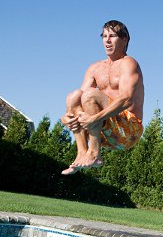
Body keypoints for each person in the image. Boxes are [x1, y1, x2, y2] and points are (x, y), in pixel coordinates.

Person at [60, 20, 144, 175]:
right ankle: (82, 153)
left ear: (124, 40)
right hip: (106, 132)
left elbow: (127, 99)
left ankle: (94, 154)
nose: (107, 40)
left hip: (128, 131)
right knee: (74, 96)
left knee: (91, 95)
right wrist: (67, 117)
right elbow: (78, 100)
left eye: (112, 36)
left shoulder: (129, 63)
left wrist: (95, 119)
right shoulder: (95, 68)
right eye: (104, 36)